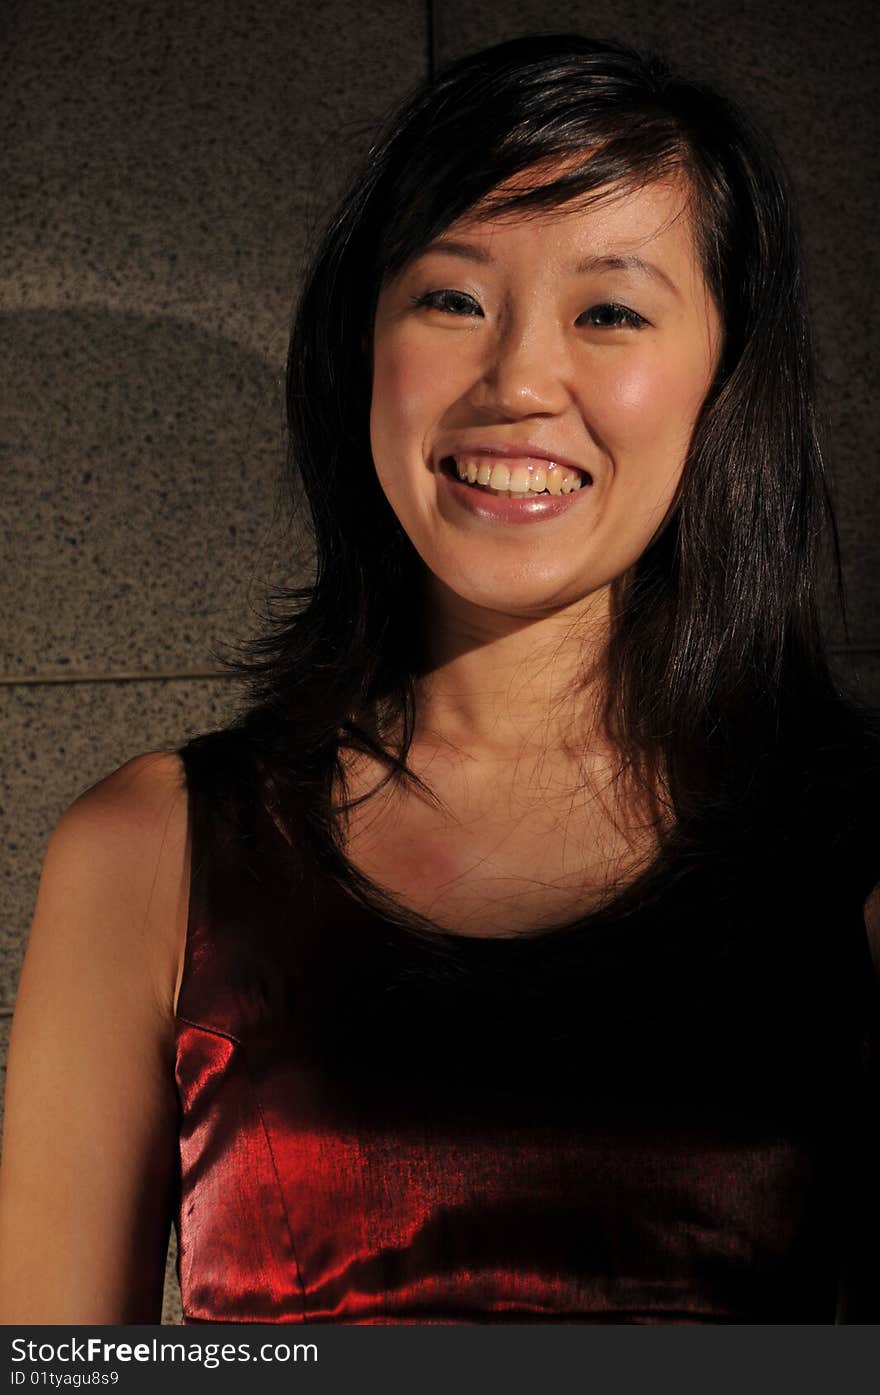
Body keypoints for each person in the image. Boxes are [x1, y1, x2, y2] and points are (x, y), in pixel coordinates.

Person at [0, 32, 878, 1326]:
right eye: (452, 298)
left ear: (723, 377)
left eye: (610, 311)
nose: (519, 379)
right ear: (366, 349)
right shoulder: (150, 853)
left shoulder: (851, 842)